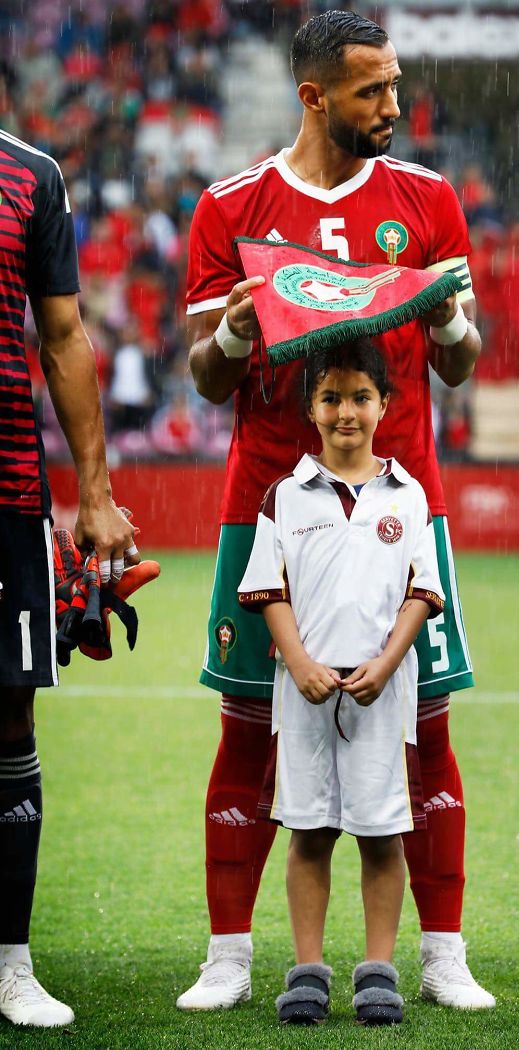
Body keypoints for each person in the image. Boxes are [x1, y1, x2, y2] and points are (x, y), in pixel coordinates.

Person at [180, 10, 494, 1012]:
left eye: (396, 86)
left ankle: (441, 954)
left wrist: (446, 315)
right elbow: (205, 381)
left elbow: (457, 365)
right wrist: (232, 332)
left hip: (402, 507)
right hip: (269, 507)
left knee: (424, 733)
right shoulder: (232, 205)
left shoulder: (428, 200)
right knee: (247, 733)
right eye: (372, 91)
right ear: (315, 98)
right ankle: (229, 957)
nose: (393, 106)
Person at [239, 340, 444, 1026]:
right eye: (331, 398)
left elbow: (422, 590)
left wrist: (385, 664)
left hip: (385, 691)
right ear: (310, 408)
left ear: (385, 405)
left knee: (383, 832)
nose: (346, 412)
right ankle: (307, 971)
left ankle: (378, 971)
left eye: (361, 397)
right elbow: (269, 590)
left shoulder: (409, 494)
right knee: (309, 829)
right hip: (303, 691)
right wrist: (298, 664)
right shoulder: (286, 495)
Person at [0, 129, 136, 1026]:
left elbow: (63, 334)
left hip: (6, 485)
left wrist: (95, 495)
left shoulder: (32, 173)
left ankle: (10, 963)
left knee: (7, 711)